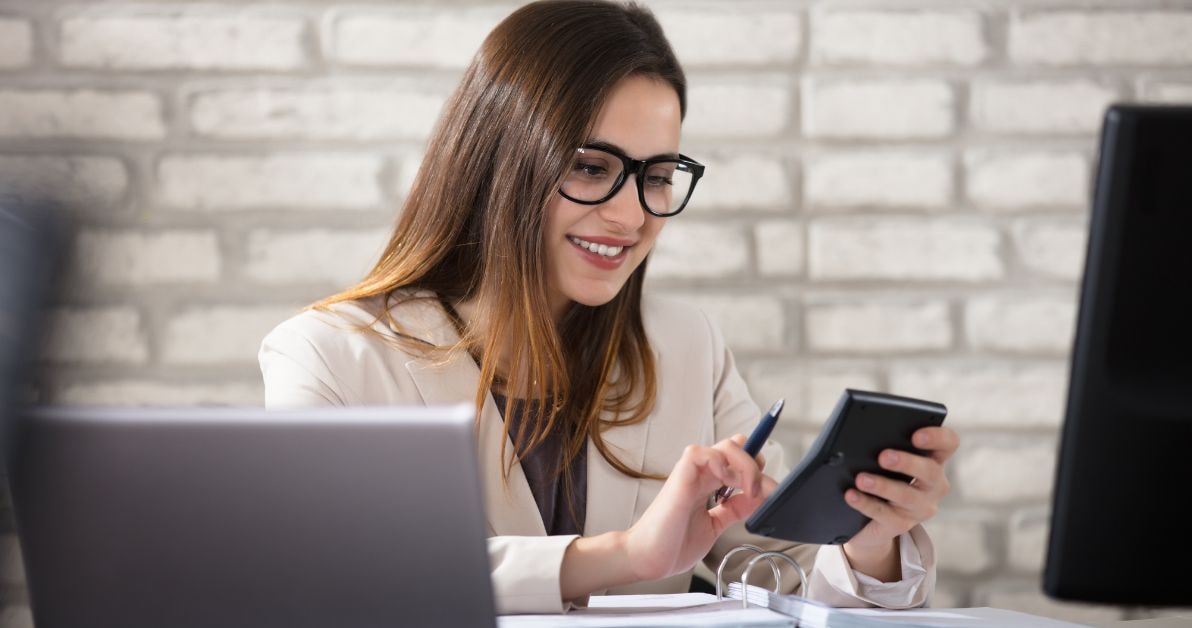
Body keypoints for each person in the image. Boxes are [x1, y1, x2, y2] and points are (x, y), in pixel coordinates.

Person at [259, 0, 959, 615]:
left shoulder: (687, 347)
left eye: (658, 177)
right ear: (501, 161)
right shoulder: (328, 356)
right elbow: (331, 578)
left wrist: (867, 541)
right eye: (591, 167)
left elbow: (787, 578)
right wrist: (625, 556)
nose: (631, 215)